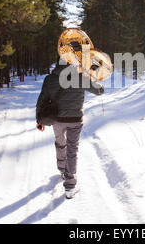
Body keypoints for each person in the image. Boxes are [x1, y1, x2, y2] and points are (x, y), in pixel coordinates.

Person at [35, 58, 104, 199]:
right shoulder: (81, 77)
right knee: (72, 149)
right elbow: (100, 90)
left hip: (57, 120)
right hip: (75, 120)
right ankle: (70, 186)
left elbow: (41, 100)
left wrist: (39, 120)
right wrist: (91, 75)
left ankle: (62, 169)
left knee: (60, 143)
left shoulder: (50, 79)